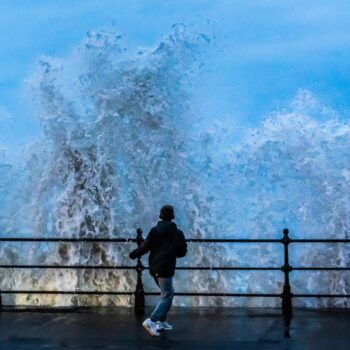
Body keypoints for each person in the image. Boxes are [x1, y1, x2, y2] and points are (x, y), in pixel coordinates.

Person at [129, 204, 187, 337]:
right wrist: (175, 252)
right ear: (172, 217)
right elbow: (182, 252)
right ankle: (152, 320)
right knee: (167, 295)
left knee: (168, 293)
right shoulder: (178, 233)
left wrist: (133, 254)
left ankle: (161, 321)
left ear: (160, 216)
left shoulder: (154, 231)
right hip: (166, 268)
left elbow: (144, 247)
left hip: (154, 267)